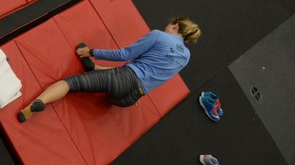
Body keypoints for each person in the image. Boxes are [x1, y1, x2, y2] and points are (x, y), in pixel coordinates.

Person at [17, 18, 201, 123]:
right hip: (129, 98)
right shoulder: (186, 56)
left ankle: (36, 103)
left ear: (175, 25)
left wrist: (91, 52)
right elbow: (160, 77)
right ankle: (94, 68)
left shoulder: (159, 36)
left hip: (123, 79)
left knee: (69, 83)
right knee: (122, 73)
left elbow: (124, 54)